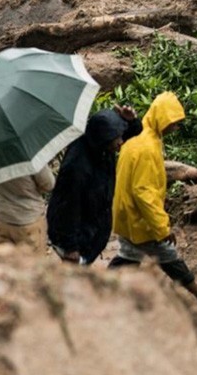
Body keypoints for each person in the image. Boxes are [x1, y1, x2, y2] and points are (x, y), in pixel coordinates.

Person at [108, 92, 197, 311]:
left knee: (128, 257)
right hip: (140, 218)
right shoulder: (147, 147)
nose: (175, 129)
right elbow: (144, 192)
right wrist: (162, 226)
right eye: (174, 123)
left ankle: (97, 291)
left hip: (126, 213)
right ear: (162, 118)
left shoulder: (140, 137)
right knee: (168, 257)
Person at [47, 105, 141, 265]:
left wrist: (130, 121)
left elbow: (132, 133)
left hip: (92, 230)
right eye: (116, 138)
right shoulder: (77, 166)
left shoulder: (101, 146)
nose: (120, 142)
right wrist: (71, 247)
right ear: (104, 138)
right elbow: (68, 207)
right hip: (75, 238)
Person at [0, 165, 55, 253]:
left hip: (0, 218)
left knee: (3, 264)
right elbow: (49, 184)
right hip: (28, 219)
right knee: (31, 264)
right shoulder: (29, 157)